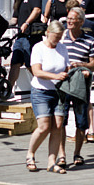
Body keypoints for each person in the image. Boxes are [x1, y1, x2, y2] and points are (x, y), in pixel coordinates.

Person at [25, 21, 70, 174]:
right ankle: (30, 154)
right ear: (48, 32)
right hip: (41, 91)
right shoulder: (39, 48)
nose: (58, 40)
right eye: (56, 36)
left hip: (59, 91)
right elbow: (36, 71)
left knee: (58, 126)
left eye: (60, 37)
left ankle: (52, 162)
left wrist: (74, 71)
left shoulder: (63, 48)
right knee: (44, 126)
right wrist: (55, 76)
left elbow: (67, 67)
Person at [57, 7, 94, 167]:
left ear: (80, 22)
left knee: (81, 121)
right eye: (68, 18)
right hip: (64, 83)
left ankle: (77, 153)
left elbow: (93, 64)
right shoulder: (60, 39)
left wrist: (83, 66)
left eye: (72, 19)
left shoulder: (90, 41)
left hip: (80, 84)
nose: (69, 21)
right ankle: (62, 154)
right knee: (61, 120)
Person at [6, 0, 43, 99]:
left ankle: (43, 86)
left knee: (30, 64)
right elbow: (14, 20)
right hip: (20, 37)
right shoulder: (18, 3)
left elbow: (37, 10)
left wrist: (27, 23)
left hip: (31, 36)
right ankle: (8, 91)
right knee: (15, 63)